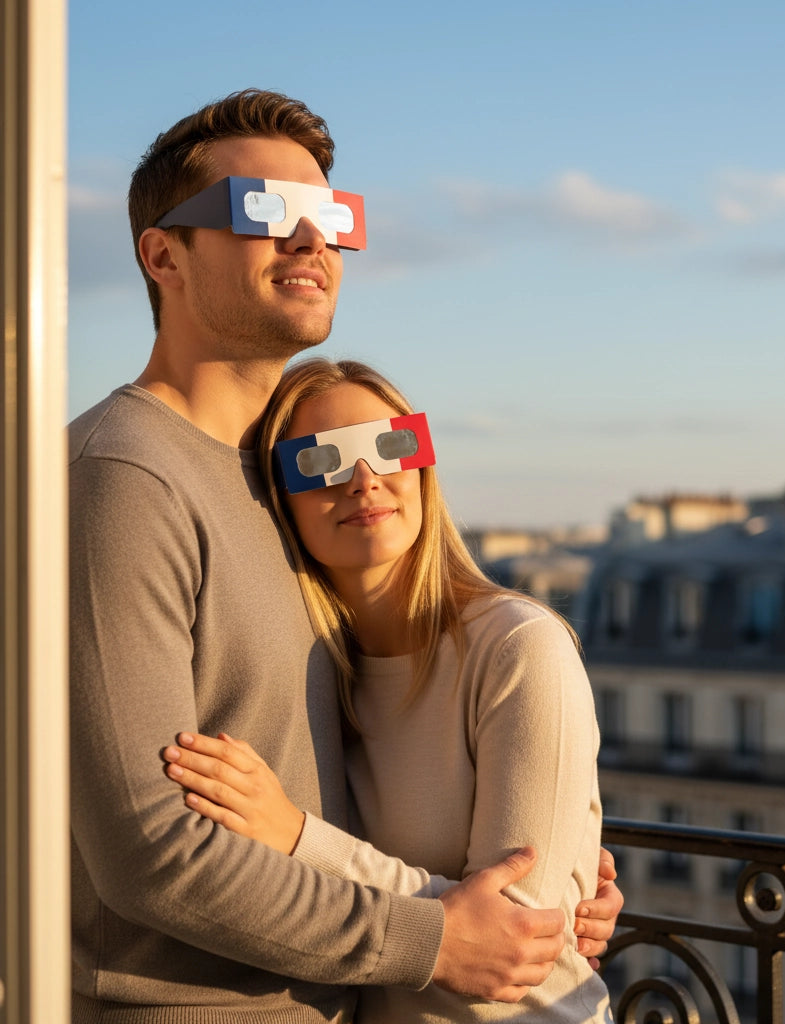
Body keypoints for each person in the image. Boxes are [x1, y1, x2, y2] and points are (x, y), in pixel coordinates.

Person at [68, 88, 620, 1024]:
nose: (311, 240)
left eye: (331, 216)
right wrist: (439, 934)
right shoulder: (126, 475)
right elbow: (150, 852)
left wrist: (543, 887)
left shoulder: (279, 481)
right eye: (265, 212)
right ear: (163, 254)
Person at [161, 358, 614, 1023]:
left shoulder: (518, 648)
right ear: (274, 498)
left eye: (392, 444)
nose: (365, 478)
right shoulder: (308, 670)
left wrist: (295, 838)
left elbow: (513, 949)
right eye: (320, 461)